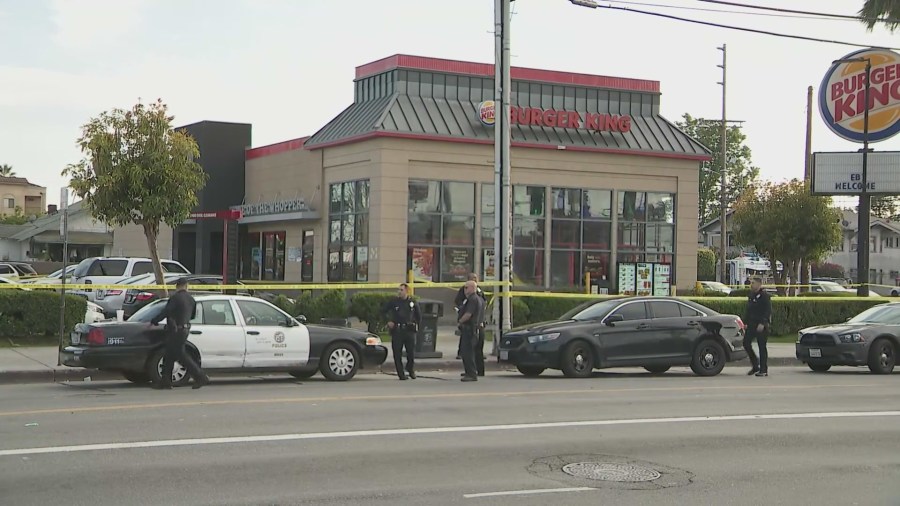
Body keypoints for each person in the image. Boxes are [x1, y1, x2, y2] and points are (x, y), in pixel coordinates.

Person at [150, 277, 210, 390]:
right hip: (185, 329)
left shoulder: (175, 298)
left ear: (177, 286)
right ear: (186, 286)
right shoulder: (191, 299)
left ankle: (200, 376)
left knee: (180, 354)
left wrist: (155, 320)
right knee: (169, 355)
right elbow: (192, 316)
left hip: (176, 330)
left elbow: (166, 312)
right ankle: (165, 381)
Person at [384, 283, 422, 380]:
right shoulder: (394, 302)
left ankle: (410, 369)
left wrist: (415, 325)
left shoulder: (412, 302)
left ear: (407, 291)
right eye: (398, 290)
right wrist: (388, 321)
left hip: (409, 331)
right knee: (397, 353)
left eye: (401, 290)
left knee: (411, 353)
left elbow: (418, 316)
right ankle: (401, 373)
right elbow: (383, 311)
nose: (399, 292)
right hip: (397, 330)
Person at [457, 280, 485, 382]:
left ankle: (471, 374)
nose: (464, 290)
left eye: (466, 287)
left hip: (470, 329)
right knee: (470, 352)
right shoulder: (476, 299)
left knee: (467, 352)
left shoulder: (473, 299)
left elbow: (468, 314)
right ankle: (469, 371)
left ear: (472, 288)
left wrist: (460, 321)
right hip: (473, 329)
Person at [743, 277, 772, 377]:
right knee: (746, 343)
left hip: (761, 325)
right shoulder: (751, 295)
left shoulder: (764, 296)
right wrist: (745, 322)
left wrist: (763, 323)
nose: (751, 284)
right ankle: (755, 365)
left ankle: (763, 369)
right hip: (751, 324)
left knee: (761, 347)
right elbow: (748, 310)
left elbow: (767, 311)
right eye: (751, 283)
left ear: (759, 284)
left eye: (753, 283)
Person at [454, 273, 485, 360]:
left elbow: (483, 301)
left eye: (476, 278)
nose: (475, 279)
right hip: (468, 320)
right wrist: (462, 308)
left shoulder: (479, 291)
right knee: (466, 340)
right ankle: (461, 353)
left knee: (477, 341)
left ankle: (478, 356)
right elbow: (458, 300)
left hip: (478, 318)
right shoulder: (465, 290)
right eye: (473, 278)